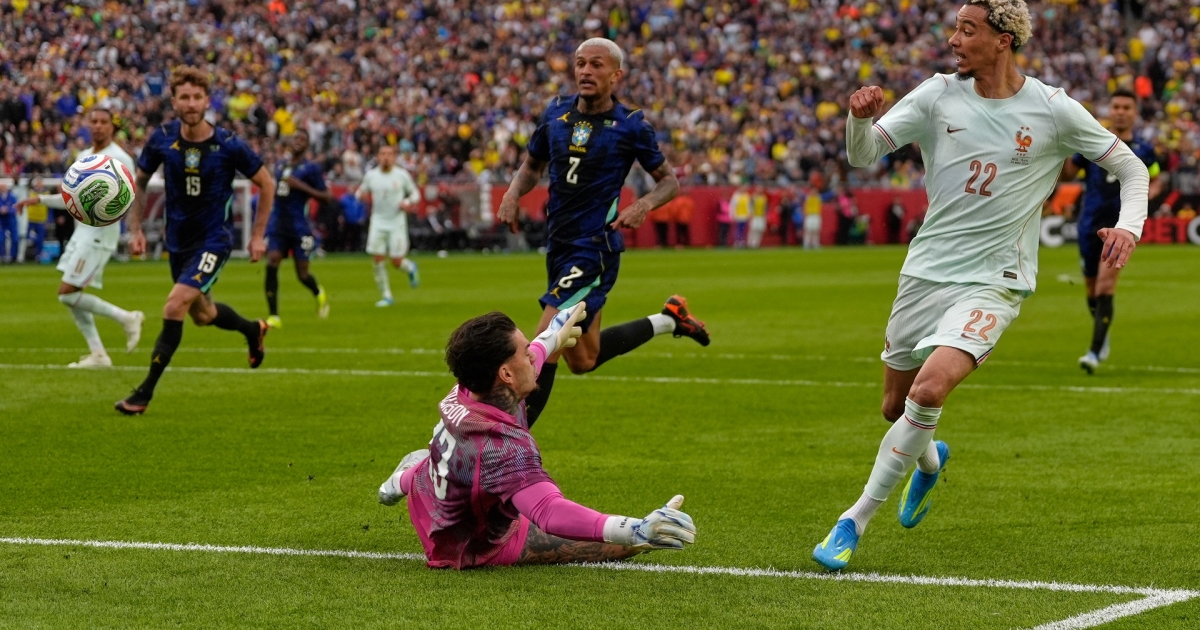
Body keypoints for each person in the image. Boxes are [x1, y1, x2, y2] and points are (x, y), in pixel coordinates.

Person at [812, 0, 1149, 571]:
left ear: (1003, 39)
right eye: (955, 28)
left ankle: (852, 521)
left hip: (995, 282)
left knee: (928, 391)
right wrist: (859, 118)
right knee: (896, 407)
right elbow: (863, 156)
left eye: (967, 29)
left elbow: (1131, 169)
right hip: (925, 273)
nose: (954, 40)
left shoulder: (1052, 109)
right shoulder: (936, 93)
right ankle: (929, 460)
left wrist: (1128, 226)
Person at [377, 304, 697, 568]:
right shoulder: (502, 448)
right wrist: (633, 530)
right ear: (505, 374)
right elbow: (549, 511)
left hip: (429, 495)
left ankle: (403, 478)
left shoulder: (469, 389)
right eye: (523, 352)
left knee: (444, 460)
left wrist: (554, 333)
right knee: (617, 547)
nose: (532, 355)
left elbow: (539, 351)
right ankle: (407, 475)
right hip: (467, 546)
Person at [495, 38, 710, 424]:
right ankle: (669, 319)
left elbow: (668, 182)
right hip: (558, 244)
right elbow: (531, 166)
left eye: (596, 65)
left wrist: (642, 205)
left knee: (546, 340)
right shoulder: (556, 113)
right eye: (580, 64)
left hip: (593, 248)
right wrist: (513, 193)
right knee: (584, 358)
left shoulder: (630, 125)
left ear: (616, 75)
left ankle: (510, 446)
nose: (586, 71)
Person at [115, 66, 276, 415]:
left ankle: (143, 394)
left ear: (207, 100)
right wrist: (137, 229)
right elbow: (139, 183)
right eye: (184, 97)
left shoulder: (229, 144)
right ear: (174, 101)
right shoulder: (161, 139)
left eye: (197, 97)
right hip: (178, 242)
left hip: (214, 240)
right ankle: (253, 329)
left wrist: (258, 235)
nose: (190, 103)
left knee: (174, 305)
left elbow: (267, 183)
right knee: (202, 314)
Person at [15, 109, 144, 368]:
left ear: (112, 126)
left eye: (103, 122)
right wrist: (40, 199)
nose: (97, 126)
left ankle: (127, 318)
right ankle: (98, 354)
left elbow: (127, 200)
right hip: (80, 234)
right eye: (93, 121)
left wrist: (133, 231)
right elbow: (71, 198)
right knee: (72, 296)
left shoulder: (120, 159)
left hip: (99, 235)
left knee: (67, 294)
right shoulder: (84, 157)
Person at [1059, 88, 1163, 374]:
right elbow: (1068, 174)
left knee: (1106, 285)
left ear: (1134, 113)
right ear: (1110, 110)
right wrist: (1063, 144)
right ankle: (1101, 333)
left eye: (1126, 107)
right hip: (1088, 225)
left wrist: (1147, 198)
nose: (1120, 111)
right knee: (1092, 290)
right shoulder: (1094, 144)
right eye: (1116, 106)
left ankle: (1093, 352)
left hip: (1120, 228)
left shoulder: (1144, 150)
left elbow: (1155, 180)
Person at [264, 131, 332, 328]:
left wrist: (301, 186)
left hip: (299, 226)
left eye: (303, 139)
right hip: (278, 224)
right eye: (296, 138)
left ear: (307, 145)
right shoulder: (280, 166)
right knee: (272, 262)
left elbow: (327, 197)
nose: (298, 142)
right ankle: (274, 315)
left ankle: (318, 292)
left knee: (302, 275)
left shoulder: (311, 168)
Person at [356, 144, 420, 306]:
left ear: (394, 157)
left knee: (396, 261)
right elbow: (360, 192)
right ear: (378, 156)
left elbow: (415, 194)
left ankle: (410, 267)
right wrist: (360, 196)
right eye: (382, 153)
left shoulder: (401, 175)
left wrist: (407, 201)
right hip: (378, 220)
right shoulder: (371, 175)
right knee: (377, 258)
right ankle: (386, 295)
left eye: (389, 154)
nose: (385, 157)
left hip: (396, 221)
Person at [0, 182, 17, 263]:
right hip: (2, 220)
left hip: (11, 220)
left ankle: (12, 256)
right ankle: (2, 256)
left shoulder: (12, 197)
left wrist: (8, 210)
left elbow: (15, 208)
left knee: (15, 239)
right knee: (1, 239)